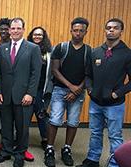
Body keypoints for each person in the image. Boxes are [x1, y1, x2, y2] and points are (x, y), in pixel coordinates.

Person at [77, 18, 131, 167]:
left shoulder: (127, 54)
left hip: (114, 105)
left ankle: (115, 163)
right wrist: (89, 89)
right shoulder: (95, 52)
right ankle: (93, 160)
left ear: (121, 31)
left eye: (115, 28)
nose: (111, 30)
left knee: (115, 136)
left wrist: (116, 94)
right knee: (95, 133)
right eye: (108, 28)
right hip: (96, 103)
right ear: (105, 30)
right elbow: (88, 75)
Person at [0, 18, 42, 167]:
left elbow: (36, 73)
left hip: (24, 96)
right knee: (6, 126)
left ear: (23, 29)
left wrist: (30, 93)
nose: (14, 31)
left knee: (22, 127)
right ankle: (6, 151)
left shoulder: (33, 48)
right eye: (12, 28)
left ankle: (20, 154)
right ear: (9, 30)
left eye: (18, 28)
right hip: (5, 96)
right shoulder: (2, 48)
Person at [44, 17, 91, 167]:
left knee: (73, 121)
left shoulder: (89, 51)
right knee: (55, 119)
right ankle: (50, 149)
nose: (78, 33)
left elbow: (89, 74)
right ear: (71, 31)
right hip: (59, 90)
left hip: (78, 92)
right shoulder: (61, 47)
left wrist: (77, 90)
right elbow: (55, 70)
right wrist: (71, 86)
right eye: (75, 30)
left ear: (85, 32)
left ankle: (67, 149)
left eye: (81, 31)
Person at [26, 26, 53, 149]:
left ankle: (45, 139)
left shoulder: (48, 52)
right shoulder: (26, 49)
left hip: (41, 89)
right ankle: (21, 138)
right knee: (25, 115)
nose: (37, 37)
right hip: (27, 88)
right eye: (35, 34)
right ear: (31, 36)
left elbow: (51, 72)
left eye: (40, 35)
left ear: (44, 37)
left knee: (41, 114)